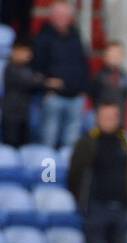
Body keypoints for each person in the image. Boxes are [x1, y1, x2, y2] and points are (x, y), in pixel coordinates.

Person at [67, 102, 127, 243]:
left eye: (114, 117)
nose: (110, 120)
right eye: (106, 117)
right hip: (96, 205)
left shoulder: (124, 140)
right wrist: (82, 199)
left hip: (120, 205)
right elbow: (75, 174)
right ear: (97, 118)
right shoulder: (88, 141)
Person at [32, 1, 89, 150]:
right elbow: (37, 67)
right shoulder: (43, 38)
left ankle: (67, 172)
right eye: (59, 15)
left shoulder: (76, 37)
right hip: (54, 96)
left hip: (75, 96)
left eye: (65, 15)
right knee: (48, 141)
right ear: (51, 17)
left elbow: (83, 64)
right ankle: (46, 173)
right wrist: (46, 84)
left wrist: (83, 88)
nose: (62, 19)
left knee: (71, 144)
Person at [2, 40, 46, 147]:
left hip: (24, 112)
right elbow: (30, 81)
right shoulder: (11, 67)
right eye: (24, 51)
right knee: (11, 145)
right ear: (15, 52)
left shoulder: (27, 68)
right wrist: (43, 81)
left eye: (29, 52)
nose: (28, 55)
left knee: (24, 144)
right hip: (11, 113)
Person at [89, 40, 127, 113]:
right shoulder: (99, 77)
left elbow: (126, 97)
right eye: (112, 54)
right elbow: (94, 97)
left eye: (118, 54)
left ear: (122, 56)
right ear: (105, 57)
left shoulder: (126, 77)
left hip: (120, 117)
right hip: (103, 117)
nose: (115, 57)